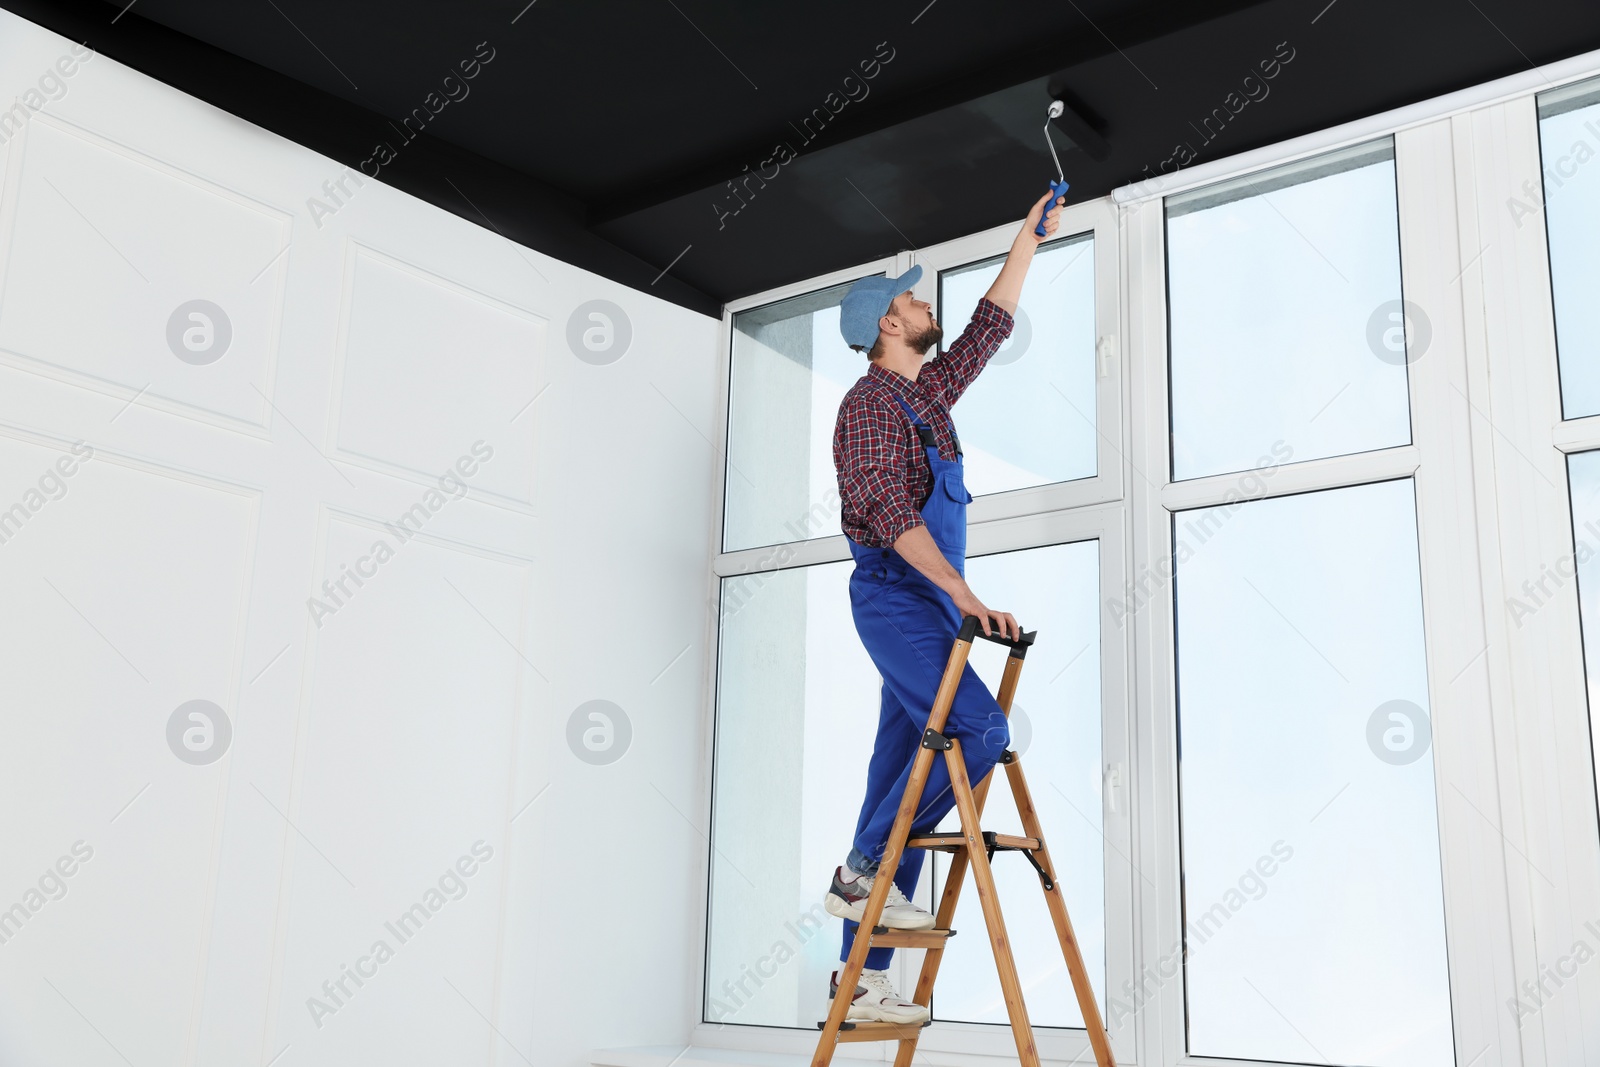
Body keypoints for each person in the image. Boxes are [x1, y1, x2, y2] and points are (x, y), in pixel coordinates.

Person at [821, 188, 1064, 1024]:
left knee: (900, 776)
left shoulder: (924, 398)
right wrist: (963, 593)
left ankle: (856, 988)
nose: (928, 305)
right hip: (899, 602)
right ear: (889, 325)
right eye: (915, 299)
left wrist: (1027, 241)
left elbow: (985, 330)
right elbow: (891, 518)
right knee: (980, 729)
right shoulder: (868, 409)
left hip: (929, 608)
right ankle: (859, 876)